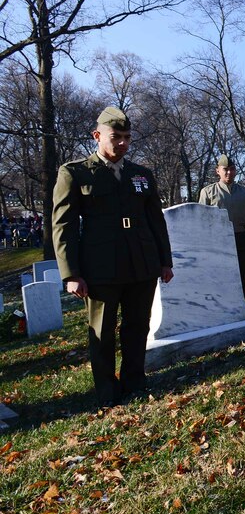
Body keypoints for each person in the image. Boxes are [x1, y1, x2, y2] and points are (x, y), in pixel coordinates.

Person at [52, 107, 173, 407]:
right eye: (115, 136)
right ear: (97, 136)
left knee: (137, 326)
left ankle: (134, 382)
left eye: (127, 137)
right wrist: (71, 274)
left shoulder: (141, 175)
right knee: (102, 332)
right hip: (101, 267)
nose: (122, 143)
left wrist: (165, 260)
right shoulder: (75, 172)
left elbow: (155, 220)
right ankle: (107, 390)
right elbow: (63, 225)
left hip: (141, 263)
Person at [198, 154, 245, 301]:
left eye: (232, 169)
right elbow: (201, 220)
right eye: (225, 169)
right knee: (222, 275)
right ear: (217, 171)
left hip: (241, 237)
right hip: (218, 241)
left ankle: (243, 301)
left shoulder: (244, 192)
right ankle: (224, 303)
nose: (229, 173)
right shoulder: (207, 192)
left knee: (244, 273)